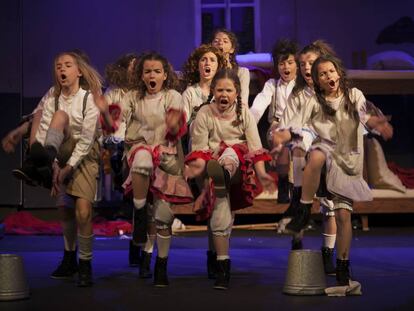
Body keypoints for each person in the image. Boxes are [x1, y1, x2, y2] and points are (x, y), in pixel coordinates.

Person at [272, 54, 393, 288]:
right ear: (317, 81)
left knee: (343, 215)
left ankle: (342, 265)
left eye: (331, 71)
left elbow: (363, 115)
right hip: (325, 154)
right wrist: (282, 136)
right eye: (322, 74)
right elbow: (296, 126)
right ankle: (304, 209)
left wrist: (378, 124)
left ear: (339, 73)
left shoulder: (354, 95)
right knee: (316, 154)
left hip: (347, 161)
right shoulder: (314, 102)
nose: (328, 76)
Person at [13, 51, 102, 287]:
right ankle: (69, 257)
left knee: (83, 211)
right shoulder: (52, 95)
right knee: (64, 209)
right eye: (58, 66)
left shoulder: (88, 98)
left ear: (79, 71)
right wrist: (54, 166)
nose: (62, 69)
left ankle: (85, 263)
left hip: (83, 156)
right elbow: (43, 128)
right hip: (57, 154)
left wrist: (68, 167)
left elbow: (86, 140)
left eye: (67, 65)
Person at [184, 68, 275, 290]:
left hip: (237, 166)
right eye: (220, 90)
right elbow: (198, 151)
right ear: (213, 91)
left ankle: (218, 261)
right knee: (220, 208)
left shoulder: (244, 114)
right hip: (208, 165)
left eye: (229, 90)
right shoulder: (204, 113)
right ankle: (219, 260)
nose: (224, 94)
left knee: (232, 153)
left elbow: (254, 147)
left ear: (237, 93)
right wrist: (194, 173)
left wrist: (263, 174)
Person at [122, 52, 192, 287]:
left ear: (165, 75)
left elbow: (178, 123)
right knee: (141, 158)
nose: (152, 75)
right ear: (141, 76)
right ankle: (140, 211)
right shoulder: (133, 97)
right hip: (141, 151)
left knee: (162, 217)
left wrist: (174, 124)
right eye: (147, 71)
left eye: (156, 71)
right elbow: (119, 119)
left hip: (166, 158)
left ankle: (159, 263)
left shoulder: (172, 96)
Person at [277, 41, 338, 273]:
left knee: (330, 206)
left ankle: (329, 254)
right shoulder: (298, 95)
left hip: (329, 154)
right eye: (302, 64)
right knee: (299, 155)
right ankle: (298, 240)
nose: (305, 68)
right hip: (303, 155)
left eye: (310, 63)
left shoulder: (333, 93)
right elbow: (288, 125)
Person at [250, 39, 299, 203]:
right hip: (278, 125)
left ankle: (297, 190)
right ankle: (284, 184)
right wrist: (248, 124)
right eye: (282, 63)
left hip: (298, 126)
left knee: (297, 147)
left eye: (290, 63)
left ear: (297, 64)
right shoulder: (272, 85)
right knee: (281, 143)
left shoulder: (302, 85)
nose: (286, 67)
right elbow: (258, 106)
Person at [211, 29, 250, 105]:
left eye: (225, 41)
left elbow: (243, 101)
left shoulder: (242, 72)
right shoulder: (208, 71)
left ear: (232, 49)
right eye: (216, 41)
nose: (220, 43)